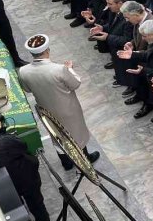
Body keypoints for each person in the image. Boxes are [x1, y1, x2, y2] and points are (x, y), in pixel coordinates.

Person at [19, 34, 100, 169]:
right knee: (76, 135)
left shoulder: (23, 71)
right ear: (47, 50)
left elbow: (27, 89)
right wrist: (69, 69)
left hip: (46, 110)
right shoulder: (59, 69)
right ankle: (85, 160)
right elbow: (75, 84)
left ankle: (66, 163)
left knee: (56, 135)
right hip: (68, 110)